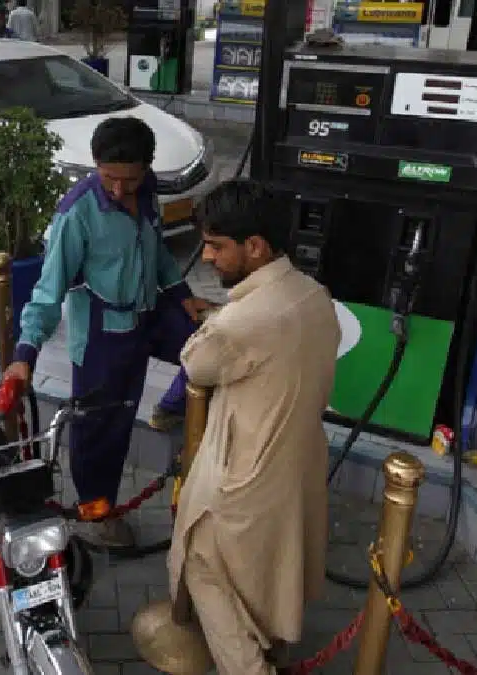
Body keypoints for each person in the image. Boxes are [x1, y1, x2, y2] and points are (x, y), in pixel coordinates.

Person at [3, 117, 207, 548]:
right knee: (101, 431)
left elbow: (158, 252)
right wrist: (25, 352)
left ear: (147, 169)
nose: (118, 189)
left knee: (209, 348)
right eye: (108, 178)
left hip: (151, 312)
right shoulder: (76, 213)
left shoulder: (150, 193)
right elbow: (46, 291)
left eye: (129, 180)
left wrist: (183, 293)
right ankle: (97, 514)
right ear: (96, 167)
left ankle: (171, 407)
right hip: (102, 333)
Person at [167, 180, 339, 675]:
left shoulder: (237, 324)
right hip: (299, 465)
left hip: (245, 477)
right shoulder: (313, 295)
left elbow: (196, 364)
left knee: (205, 568)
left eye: (217, 246)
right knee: (267, 579)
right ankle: (271, 652)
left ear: (256, 247)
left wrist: (218, 319)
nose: (205, 257)